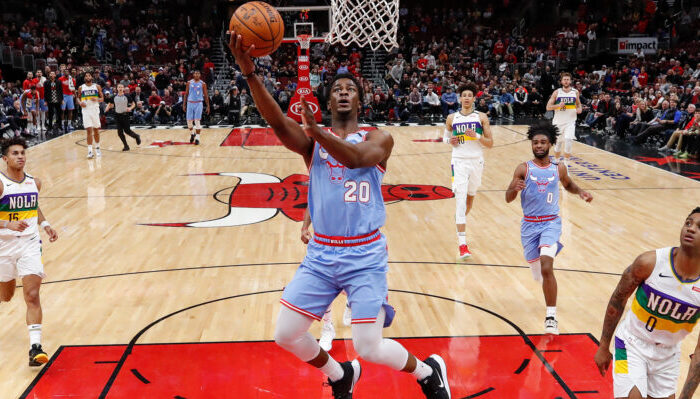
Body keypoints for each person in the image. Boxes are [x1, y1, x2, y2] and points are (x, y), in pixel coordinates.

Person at [229, 31, 451, 399]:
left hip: (364, 254)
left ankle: (429, 371)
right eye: (337, 89)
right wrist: (250, 73)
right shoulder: (312, 142)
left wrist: (316, 132)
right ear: (328, 99)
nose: (344, 92)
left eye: (350, 88)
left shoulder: (378, 138)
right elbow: (278, 123)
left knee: (368, 346)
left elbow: (357, 159)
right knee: (285, 333)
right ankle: (339, 374)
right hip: (322, 254)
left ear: (360, 99)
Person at [594, 208, 700, 399]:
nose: (691, 229)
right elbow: (618, 300)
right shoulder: (649, 262)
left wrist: (686, 395)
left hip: (668, 355)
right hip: (631, 344)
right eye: (688, 223)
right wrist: (603, 345)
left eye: (699, 227)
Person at [505, 121, 593, 334]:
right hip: (529, 226)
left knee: (546, 267)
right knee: (537, 271)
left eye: (543, 142)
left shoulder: (558, 167)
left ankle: (551, 317)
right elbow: (508, 198)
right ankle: (546, 252)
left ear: (551, 144)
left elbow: (568, 184)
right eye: (535, 142)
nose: (539, 145)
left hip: (551, 222)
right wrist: (513, 188)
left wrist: (581, 192)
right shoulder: (523, 168)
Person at [0, 137, 59, 366]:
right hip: (4, 245)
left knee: (32, 295)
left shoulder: (35, 182)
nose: (20, 156)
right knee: (6, 295)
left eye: (22, 153)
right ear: (5, 159)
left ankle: (35, 348)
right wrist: (6, 224)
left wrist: (45, 225)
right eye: (15, 153)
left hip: (29, 243)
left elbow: (33, 205)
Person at [443, 84, 494, 259]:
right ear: (460, 99)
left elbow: (490, 143)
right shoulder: (452, 117)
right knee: (460, 200)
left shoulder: (481, 117)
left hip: (476, 161)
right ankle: (462, 245)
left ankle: (459, 220)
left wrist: (477, 136)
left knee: (470, 200)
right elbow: (445, 138)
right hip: (458, 162)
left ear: (473, 99)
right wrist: (451, 140)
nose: (466, 98)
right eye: (463, 95)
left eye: (469, 95)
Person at [546, 73, 582, 165]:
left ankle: (566, 163)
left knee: (569, 140)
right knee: (558, 143)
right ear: (561, 81)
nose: (566, 81)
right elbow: (548, 107)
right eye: (564, 79)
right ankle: (557, 160)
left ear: (570, 81)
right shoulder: (557, 92)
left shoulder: (575, 92)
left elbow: (578, 103)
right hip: (558, 122)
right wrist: (558, 105)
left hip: (570, 121)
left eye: (568, 79)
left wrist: (579, 109)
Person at [75, 72, 104, 159]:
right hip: (86, 110)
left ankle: (98, 148)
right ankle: (90, 151)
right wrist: (80, 103)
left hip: (95, 110)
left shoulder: (97, 86)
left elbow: (102, 98)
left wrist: (97, 99)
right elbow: (77, 98)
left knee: (96, 130)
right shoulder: (81, 87)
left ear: (91, 77)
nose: (87, 77)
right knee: (88, 130)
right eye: (86, 76)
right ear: (84, 78)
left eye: (89, 75)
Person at [105, 84, 141, 151]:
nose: (120, 88)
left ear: (123, 88)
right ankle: (126, 146)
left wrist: (130, 108)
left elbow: (134, 104)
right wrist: (107, 108)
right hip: (117, 116)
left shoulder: (127, 96)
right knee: (120, 133)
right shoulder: (114, 97)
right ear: (117, 89)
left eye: (121, 87)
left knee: (127, 131)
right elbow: (110, 103)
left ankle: (136, 136)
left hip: (125, 115)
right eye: (119, 87)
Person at [183, 70, 210, 145]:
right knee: (189, 122)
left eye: (198, 73)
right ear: (193, 74)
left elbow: (206, 95)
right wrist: (184, 104)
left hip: (199, 103)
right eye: (195, 73)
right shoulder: (189, 82)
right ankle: (192, 133)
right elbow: (186, 94)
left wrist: (208, 106)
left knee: (197, 121)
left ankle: (197, 138)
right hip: (190, 103)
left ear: (200, 75)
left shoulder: (203, 84)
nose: (197, 74)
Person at [43, 71, 63, 135]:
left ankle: (60, 127)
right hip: (50, 100)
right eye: (50, 74)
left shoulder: (59, 82)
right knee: (50, 115)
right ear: (49, 75)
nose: (52, 75)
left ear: (55, 75)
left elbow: (61, 91)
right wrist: (45, 101)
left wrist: (62, 100)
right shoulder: (46, 82)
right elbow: (45, 92)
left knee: (59, 114)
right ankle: (50, 128)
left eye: (53, 74)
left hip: (57, 100)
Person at [58, 68, 76, 132]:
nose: (66, 72)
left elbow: (73, 88)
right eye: (65, 71)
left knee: (70, 110)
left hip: (70, 96)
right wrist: (59, 97)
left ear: (69, 72)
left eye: (67, 71)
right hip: (63, 95)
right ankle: (62, 124)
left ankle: (69, 124)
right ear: (63, 72)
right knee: (62, 110)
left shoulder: (72, 79)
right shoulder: (60, 79)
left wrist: (74, 95)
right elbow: (58, 88)